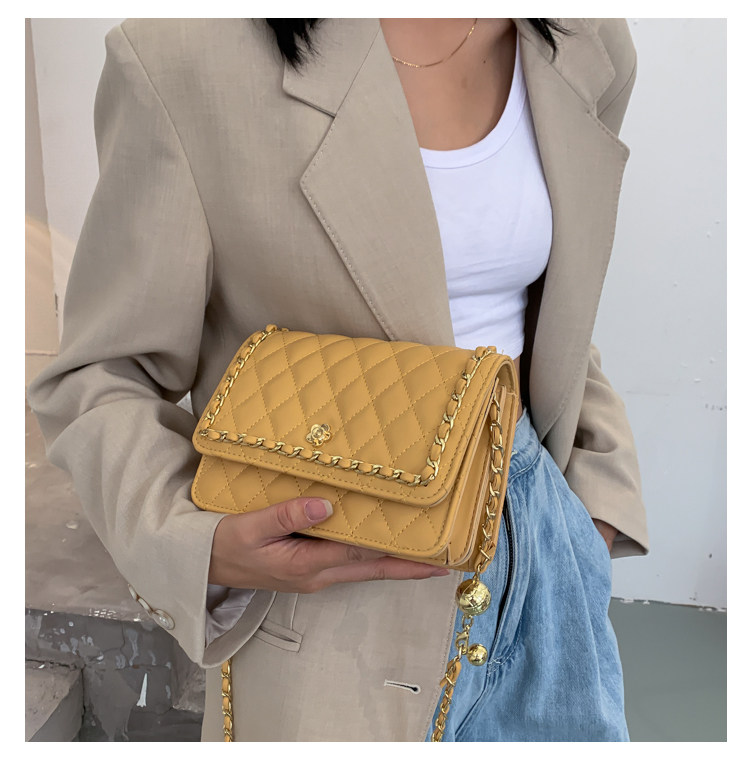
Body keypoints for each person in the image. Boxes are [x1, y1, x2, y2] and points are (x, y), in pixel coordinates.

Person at [28, 18, 649, 742]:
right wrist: (192, 540)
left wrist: (595, 506)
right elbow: (104, 370)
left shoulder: (583, 41)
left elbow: (550, 313)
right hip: (334, 595)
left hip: (546, 566)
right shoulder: (184, 58)